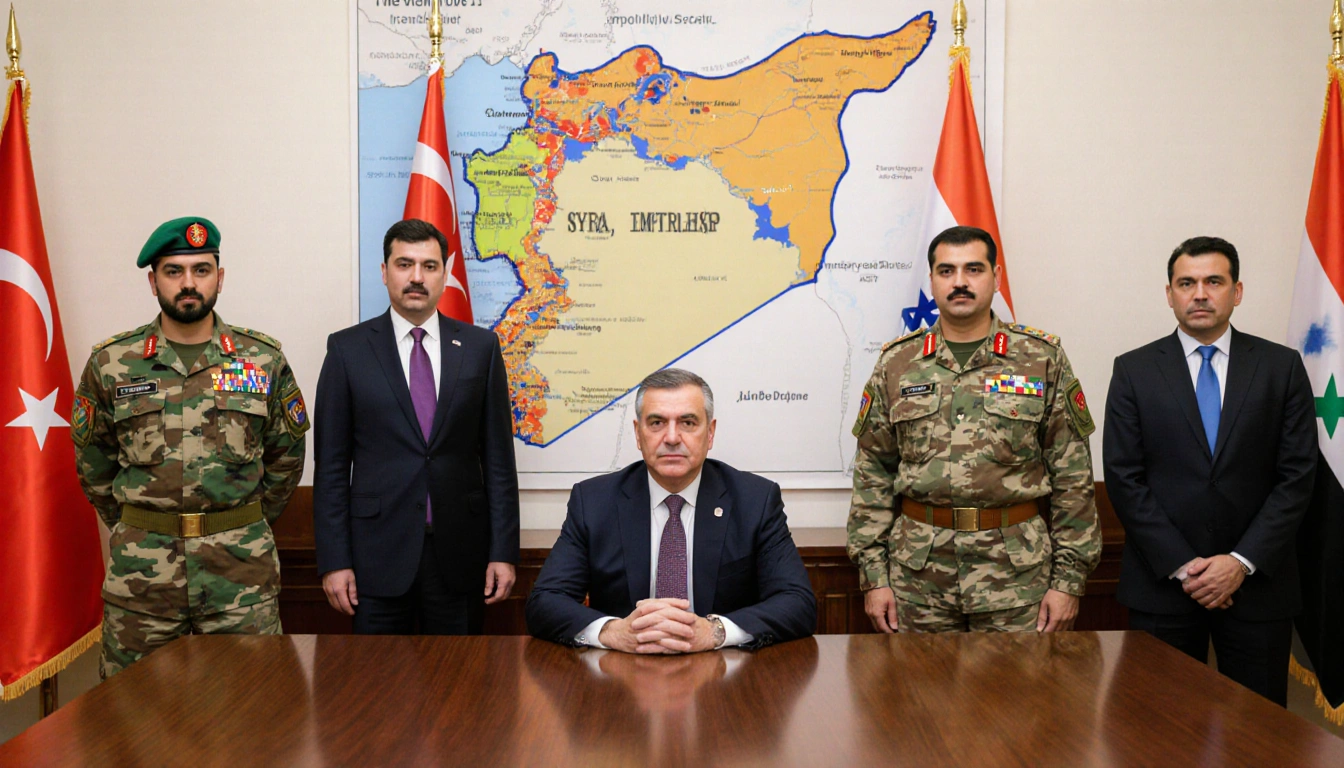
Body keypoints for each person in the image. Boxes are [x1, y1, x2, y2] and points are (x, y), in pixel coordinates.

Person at [72, 216, 307, 678]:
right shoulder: (112, 363)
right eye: (173, 271)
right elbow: (93, 465)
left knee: (253, 707)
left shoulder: (262, 360)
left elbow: (287, 459)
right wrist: (142, 527)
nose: (188, 284)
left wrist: (236, 526)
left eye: (201, 270)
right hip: (143, 584)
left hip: (241, 580)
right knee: (131, 710)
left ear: (220, 277)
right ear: (153, 282)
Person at [848, 225, 1100, 634]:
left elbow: (1073, 477)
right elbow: (872, 473)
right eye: (946, 271)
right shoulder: (897, 363)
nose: (960, 282)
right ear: (931, 280)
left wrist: (1068, 582)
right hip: (918, 579)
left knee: (1021, 679)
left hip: (1018, 580)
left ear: (996, 277)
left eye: (974, 269)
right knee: (916, 679)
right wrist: (874, 577)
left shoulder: (1040, 358)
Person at [1102, 236, 1317, 706]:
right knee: (1160, 727)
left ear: (1236, 291)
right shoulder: (1134, 370)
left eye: (1213, 281)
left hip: (1258, 589)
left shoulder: (1281, 367)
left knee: (1258, 729)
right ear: (1169, 294)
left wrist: (1239, 562)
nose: (1199, 294)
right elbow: (1123, 477)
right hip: (1162, 587)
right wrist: (1186, 567)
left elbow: (1297, 476)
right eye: (1187, 283)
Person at [313, 218, 519, 634]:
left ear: (446, 273)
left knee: (460, 672)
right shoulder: (347, 349)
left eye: (429, 266)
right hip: (374, 560)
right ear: (384, 271)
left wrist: (503, 551)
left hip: (461, 557)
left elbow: (499, 462)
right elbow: (331, 467)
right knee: (378, 674)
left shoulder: (481, 348)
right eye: (404, 264)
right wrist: (335, 560)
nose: (416, 277)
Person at [526, 368, 816, 652]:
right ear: (638, 434)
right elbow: (545, 601)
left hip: (723, 670)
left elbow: (798, 602)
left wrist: (715, 632)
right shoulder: (593, 502)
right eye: (657, 423)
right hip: (623, 670)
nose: (672, 437)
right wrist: (613, 632)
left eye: (688, 423)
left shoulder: (755, 500)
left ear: (710, 433)